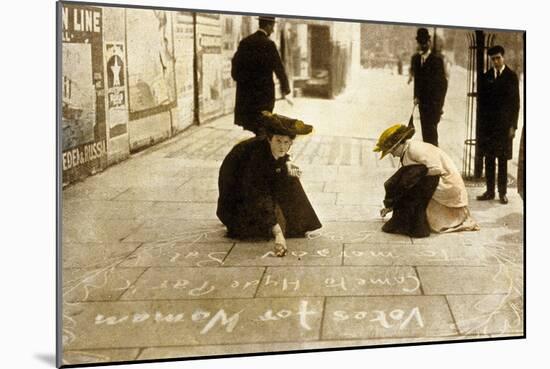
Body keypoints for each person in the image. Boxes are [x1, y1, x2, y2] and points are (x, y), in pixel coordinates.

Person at [217, 111, 321, 256]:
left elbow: (280, 158)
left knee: (290, 175)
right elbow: (259, 194)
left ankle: (290, 222)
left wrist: (288, 163)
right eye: (278, 141)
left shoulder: (272, 149)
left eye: (286, 143)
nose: (282, 147)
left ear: (291, 143)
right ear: (269, 139)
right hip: (237, 200)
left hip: (254, 189)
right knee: (260, 229)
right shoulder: (255, 155)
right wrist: (277, 232)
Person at [374, 124, 479, 237]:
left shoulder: (415, 149)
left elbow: (436, 169)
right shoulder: (408, 150)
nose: (393, 155)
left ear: (398, 145)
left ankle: (415, 224)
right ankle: (407, 220)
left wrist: (412, 178)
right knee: (406, 180)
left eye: (391, 151)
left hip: (447, 183)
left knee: (410, 183)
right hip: (435, 179)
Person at [231, 16, 291, 135]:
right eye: (272, 27)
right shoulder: (269, 44)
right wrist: (285, 88)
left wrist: (241, 80)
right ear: (268, 26)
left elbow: (235, 64)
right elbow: (279, 68)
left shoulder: (245, 42)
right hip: (264, 93)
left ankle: (259, 142)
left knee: (253, 122)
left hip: (247, 94)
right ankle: (261, 147)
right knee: (264, 122)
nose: (273, 30)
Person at [477, 45, 520, 205]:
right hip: (488, 127)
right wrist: (481, 129)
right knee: (488, 159)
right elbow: (481, 105)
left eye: (498, 58)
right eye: (493, 59)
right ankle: (489, 191)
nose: (496, 61)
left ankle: (502, 193)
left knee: (502, 161)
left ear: (503, 57)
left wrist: (513, 126)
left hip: (504, 127)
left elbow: (516, 104)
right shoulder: (486, 76)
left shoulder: (511, 77)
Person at [409, 28, 448, 146]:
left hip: (434, 105)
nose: (422, 45)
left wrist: (439, 106)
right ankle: (428, 161)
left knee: (432, 137)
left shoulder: (437, 60)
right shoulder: (416, 59)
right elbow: (417, 80)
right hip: (422, 105)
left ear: (429, 42)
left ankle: (434, 161)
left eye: (425, 42)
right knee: (426, 135)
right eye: (420, 42)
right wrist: (416, 96)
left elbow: (443, 84)